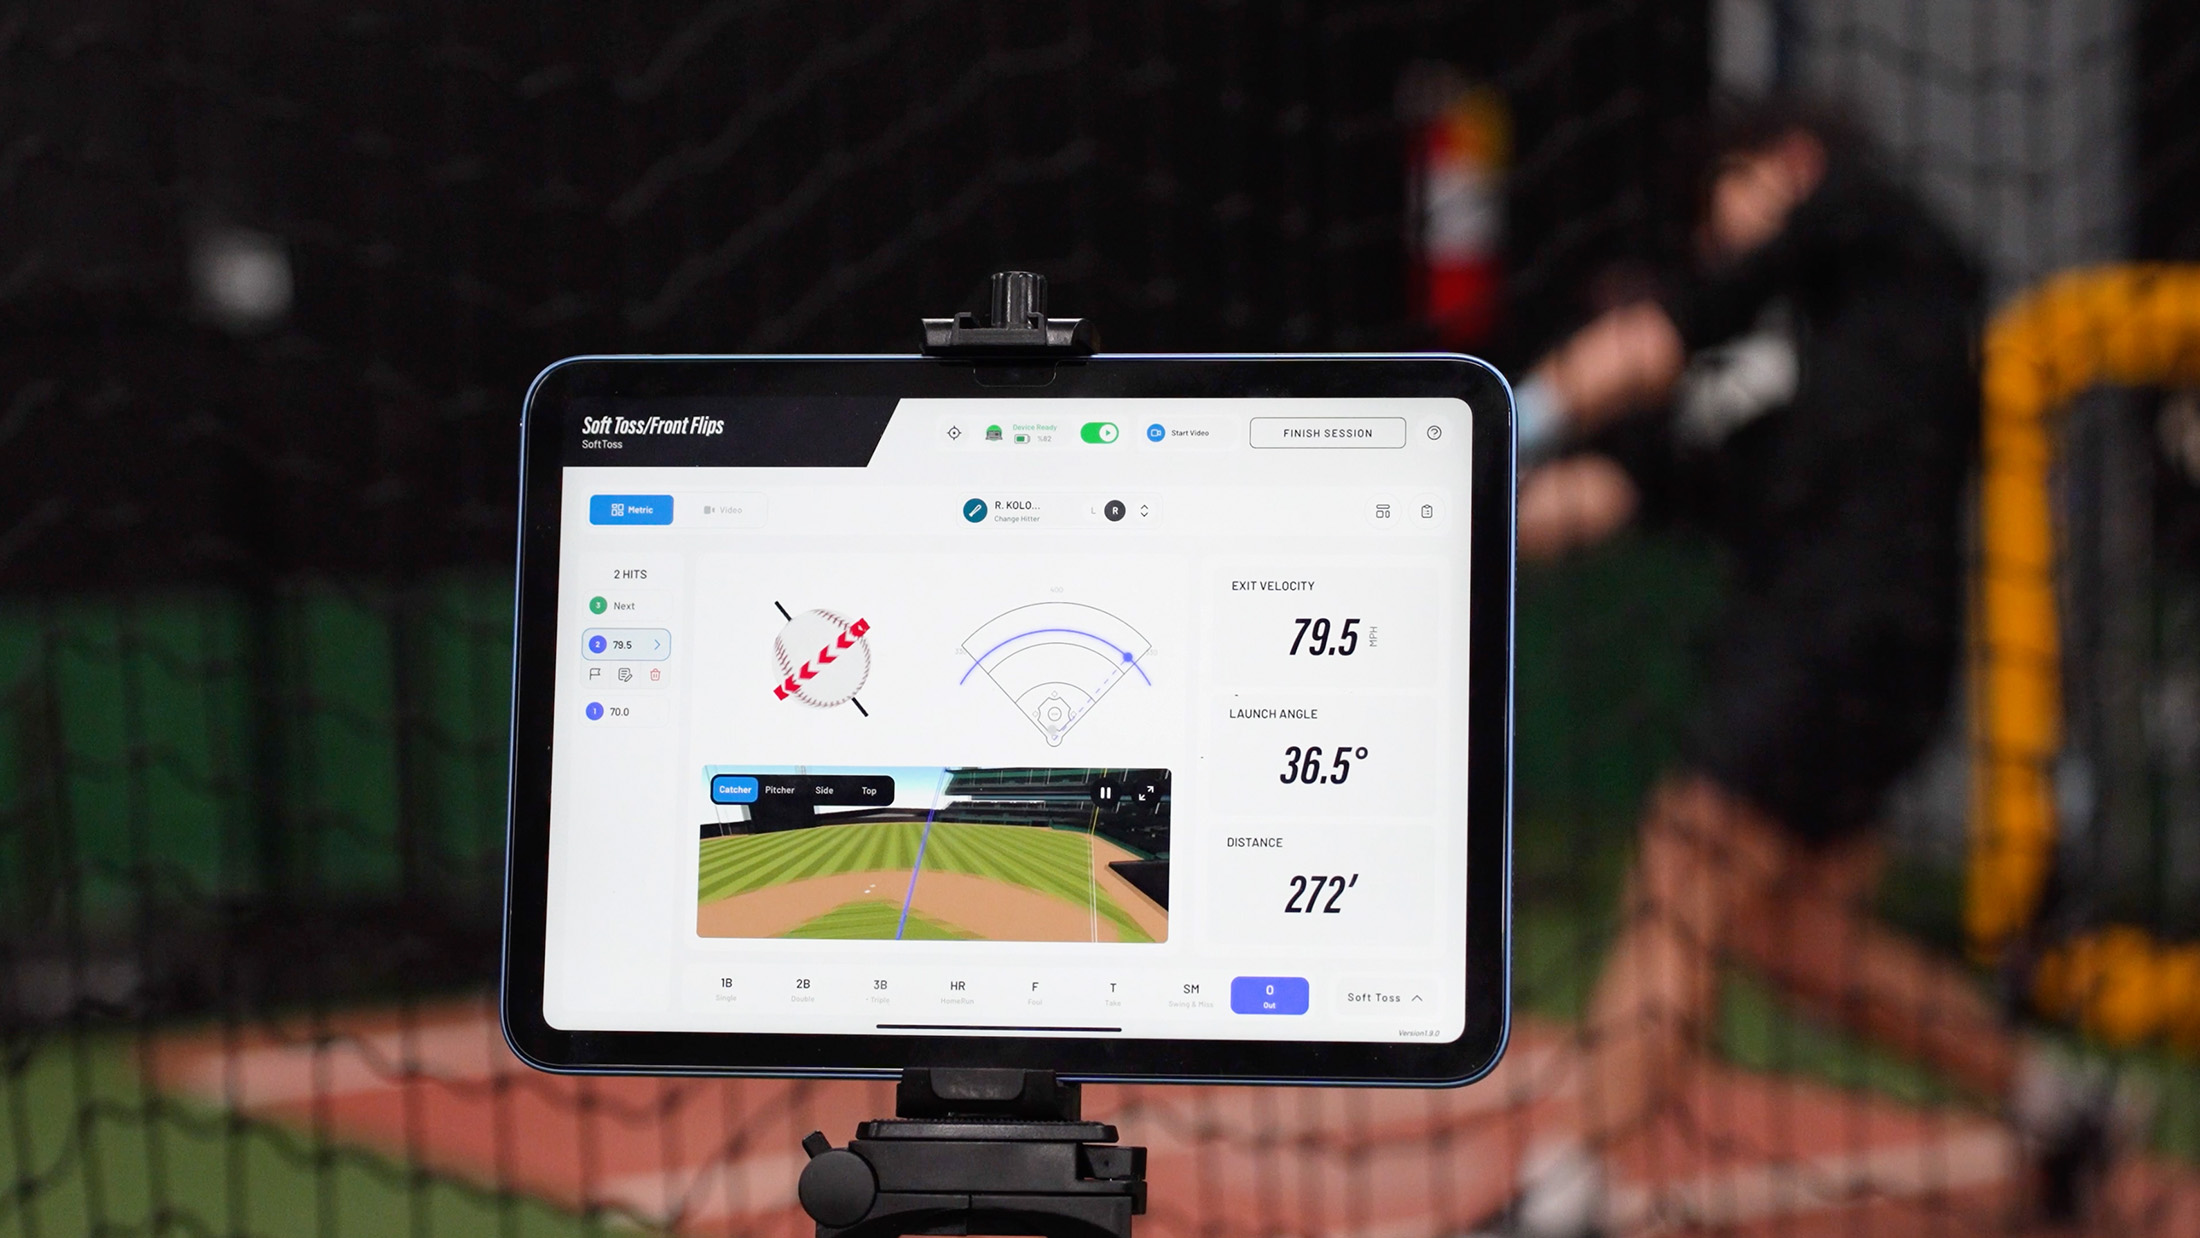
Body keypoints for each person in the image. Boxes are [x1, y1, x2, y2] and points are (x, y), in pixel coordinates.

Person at [1492, 100, 2130, 1236]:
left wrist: (1503, 417)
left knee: (1682, 868)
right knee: (1796, 941)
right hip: (1806, 647)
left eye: (1726, 194)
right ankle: (2060, 1108)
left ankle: (1564, 1192)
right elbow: (1604, 490)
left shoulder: (1873, 229)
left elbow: (1645, 342)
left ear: (1789, 164)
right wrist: (1452, 520)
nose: (1715, 233)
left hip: (1860, 623)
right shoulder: (1735, 353)